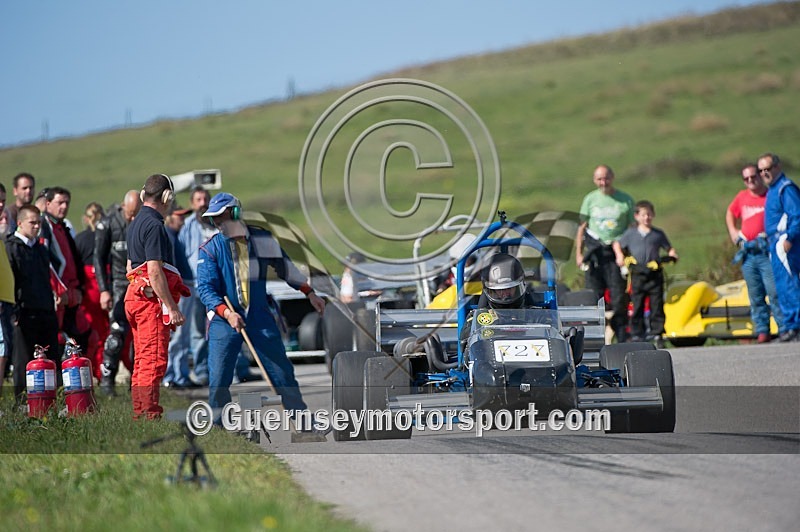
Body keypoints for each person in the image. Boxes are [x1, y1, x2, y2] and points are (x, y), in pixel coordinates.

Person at [196, 192, 325, 416]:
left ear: (235, 212)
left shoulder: (262, 240)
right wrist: (227, 314)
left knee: (283, 373)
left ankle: (300, 419)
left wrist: (309, 292)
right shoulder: (209, 249)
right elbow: (206, 290)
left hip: (259, 316)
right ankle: (218, 424)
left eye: (220, 216)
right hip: (224, 320)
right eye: (213, 219)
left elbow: (286, 268)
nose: (217, 222)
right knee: (218, 379)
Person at [125, 174, 188, 419]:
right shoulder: (154, 226)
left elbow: (130, 267)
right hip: (149, 303)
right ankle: (149, 415)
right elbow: (154, 271)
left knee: (142, 360)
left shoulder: (135, 223)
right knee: (153, 360)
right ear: (167, 197)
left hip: (134, 298)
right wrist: (172, 308)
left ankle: (140, 412)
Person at [4, 205, 60, 403]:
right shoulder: (11, 247)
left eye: (39, 223)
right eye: (32, 223)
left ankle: (53, 399)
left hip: (45, 310)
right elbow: (11, 281)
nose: (37, 227)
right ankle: (22, 401)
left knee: (51, 356)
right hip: (23, 312)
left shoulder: (40, 249)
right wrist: (14, 311)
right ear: (20, 223)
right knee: (23, 360)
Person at [575, 165, 635, 342]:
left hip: (617, 253)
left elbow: (632, 228)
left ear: (612, 178)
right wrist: (579, 254)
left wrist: (631, 253)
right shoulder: (590, 199)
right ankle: (594, 337)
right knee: (593, 295)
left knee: (619, 296)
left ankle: (622, 335)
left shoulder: (625, 200)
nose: (603, 182)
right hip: (595, 252)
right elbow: (582, 228)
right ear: (595, 180)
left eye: (606, 178)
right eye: (599, 179)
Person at [725, 164, 783, 344]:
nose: (750, 181)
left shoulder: (771, 195)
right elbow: (730, 213)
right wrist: (733, 232)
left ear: (760, 176)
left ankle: (784, 327)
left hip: (767, 251)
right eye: (746, 178)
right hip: (748, 252)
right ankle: (762, 330)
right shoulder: (742, 197)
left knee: (774, 291)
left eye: (753, 177)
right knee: (755, 293)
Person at [612, 200, 678, 346]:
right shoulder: (631, 234)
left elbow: (669, 248)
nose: (646, 218)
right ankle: (637, 334)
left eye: (649, 214)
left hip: (654, 272)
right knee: (637, 304)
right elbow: (617, 244)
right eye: (643, 215)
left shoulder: (657, 234)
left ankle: (657, 333)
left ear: (653, 215)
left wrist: (672, 255)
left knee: (656, 304)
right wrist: (619, 256)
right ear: (637, 216)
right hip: (638, 273)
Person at [94, 190, 141, 394]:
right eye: (130, 213)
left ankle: (137, 382)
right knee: (116, 334)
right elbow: (98, 258)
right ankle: (107, 381)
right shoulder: (108, 223)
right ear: (123, 207)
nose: (132, 218)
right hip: (118, 283)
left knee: (140, 336)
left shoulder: (144, 222)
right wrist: (104, 290)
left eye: (136, 214)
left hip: (140, 282)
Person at [174, 186, 216, 386]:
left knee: (223, 328)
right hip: (196, 285)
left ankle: (231, 371)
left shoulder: (217, 223)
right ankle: (201, 371)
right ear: (192, 203)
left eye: (205, 199)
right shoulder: (188, 226)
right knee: (197, 331)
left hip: (217, 285)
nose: (202, 203)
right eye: (198, 200)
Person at [38, 186, 88, 353]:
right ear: (48, 203)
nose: (64, 207)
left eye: (67, 203)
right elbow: (45, 261)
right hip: (58, 294)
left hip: (72, 292)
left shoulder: (63, 227)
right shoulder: (44, 226)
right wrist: (57, 290)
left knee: (82, 337)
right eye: (60, 202)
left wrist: (79, 288)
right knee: (57, 339)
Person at [758, 153, 800, 342]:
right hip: (774, 243)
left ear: (777, 167)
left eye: (767, 169)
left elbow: (796, 215)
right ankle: (790, 325)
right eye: (761, 170)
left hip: (785, 242)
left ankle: (796, 325)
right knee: (782, 286)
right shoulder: (772, 190)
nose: (764, 173)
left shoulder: (785, 188)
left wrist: (789, 238)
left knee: (790, 284)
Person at [162, 203, 196, 388]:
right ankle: (171, 376)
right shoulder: (168, 235)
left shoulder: (176, 236)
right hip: (179, 290)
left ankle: (181, 375)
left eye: (184, 216)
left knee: (183, 336)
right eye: (179, 216)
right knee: (177, 335)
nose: (182, 220)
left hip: (185, 287)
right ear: (169, 217)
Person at [74, 202, 108, 378]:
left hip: (89, 290)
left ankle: (89, 371)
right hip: (106, 287)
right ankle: (103, 372)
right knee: (106, 333)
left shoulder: (80, 239)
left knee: (91, 333)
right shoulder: (107, 236)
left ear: (86, 219)